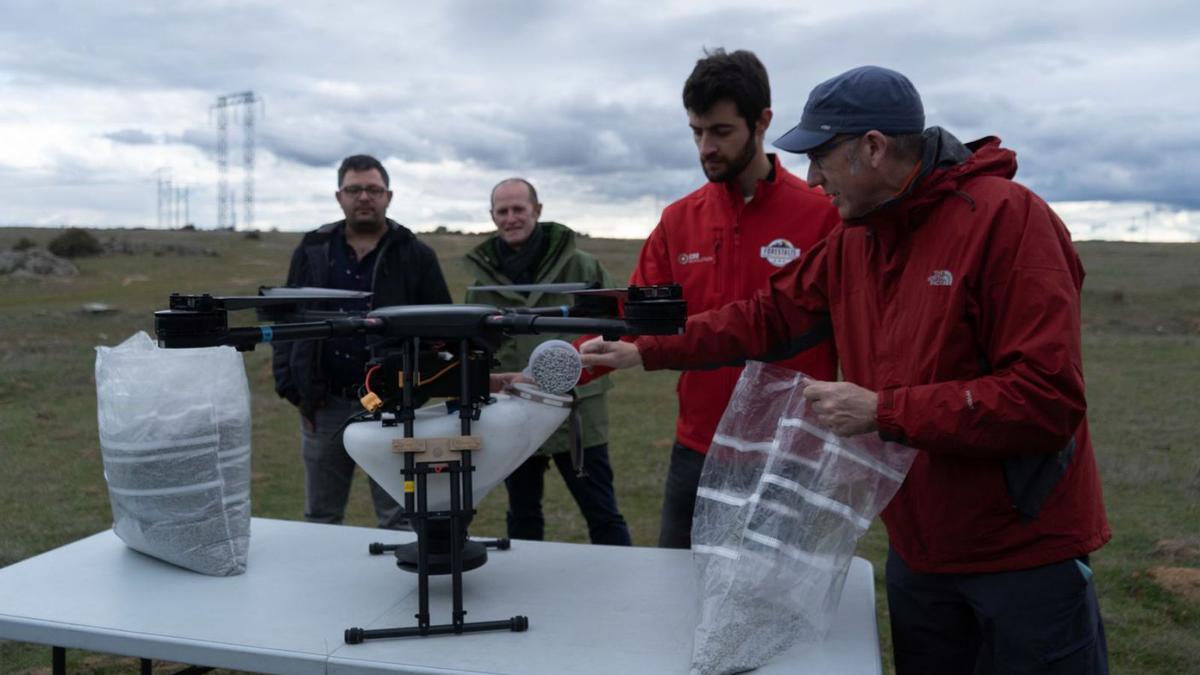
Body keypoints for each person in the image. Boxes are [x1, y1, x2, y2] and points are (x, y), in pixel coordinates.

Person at [582, 66, 1110, 674]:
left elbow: (1045, 398)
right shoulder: (856, 238)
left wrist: (882, 412)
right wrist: (646, 350)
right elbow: (767, 316)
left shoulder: (1008, 220)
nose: (812, 178)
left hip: (1023, 554)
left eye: (821, 158)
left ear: (874, 147)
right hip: (920, 550)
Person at [631, 48, 840, 548]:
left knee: (773, 607)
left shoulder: (823, 216)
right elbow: (633, 321)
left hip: (787, 452)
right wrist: (554, 369)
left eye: (721, 132)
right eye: (697, 132)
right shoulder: (679, 220)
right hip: (697, 448)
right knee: (675, 596)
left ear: (762, 121)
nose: (706, 146)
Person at [272, 154, 452, 528]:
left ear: (389, 196)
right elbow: (285, 323)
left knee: (399, 516)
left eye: (374, 189)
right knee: (321, 516)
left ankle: (401, 584)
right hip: (324, 406)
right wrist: (295, 390)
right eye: (355, 189)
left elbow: (441, 332)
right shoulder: (313, 249)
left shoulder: (415, 254)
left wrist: (412, 396)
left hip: (392, 407)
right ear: (340, 196)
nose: (364, 197)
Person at [463, 177, 632, 546]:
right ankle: (525, 585)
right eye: (502, 211)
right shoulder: (479, 281)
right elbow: (473, 345)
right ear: (492, 216)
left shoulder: (584, 267)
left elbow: (619, 322)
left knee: (601, 511)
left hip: (577, 413)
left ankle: (622, 583)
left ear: (537, 211)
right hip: (514, 411)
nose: (511, 218)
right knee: (522, 512)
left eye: (518, 209)